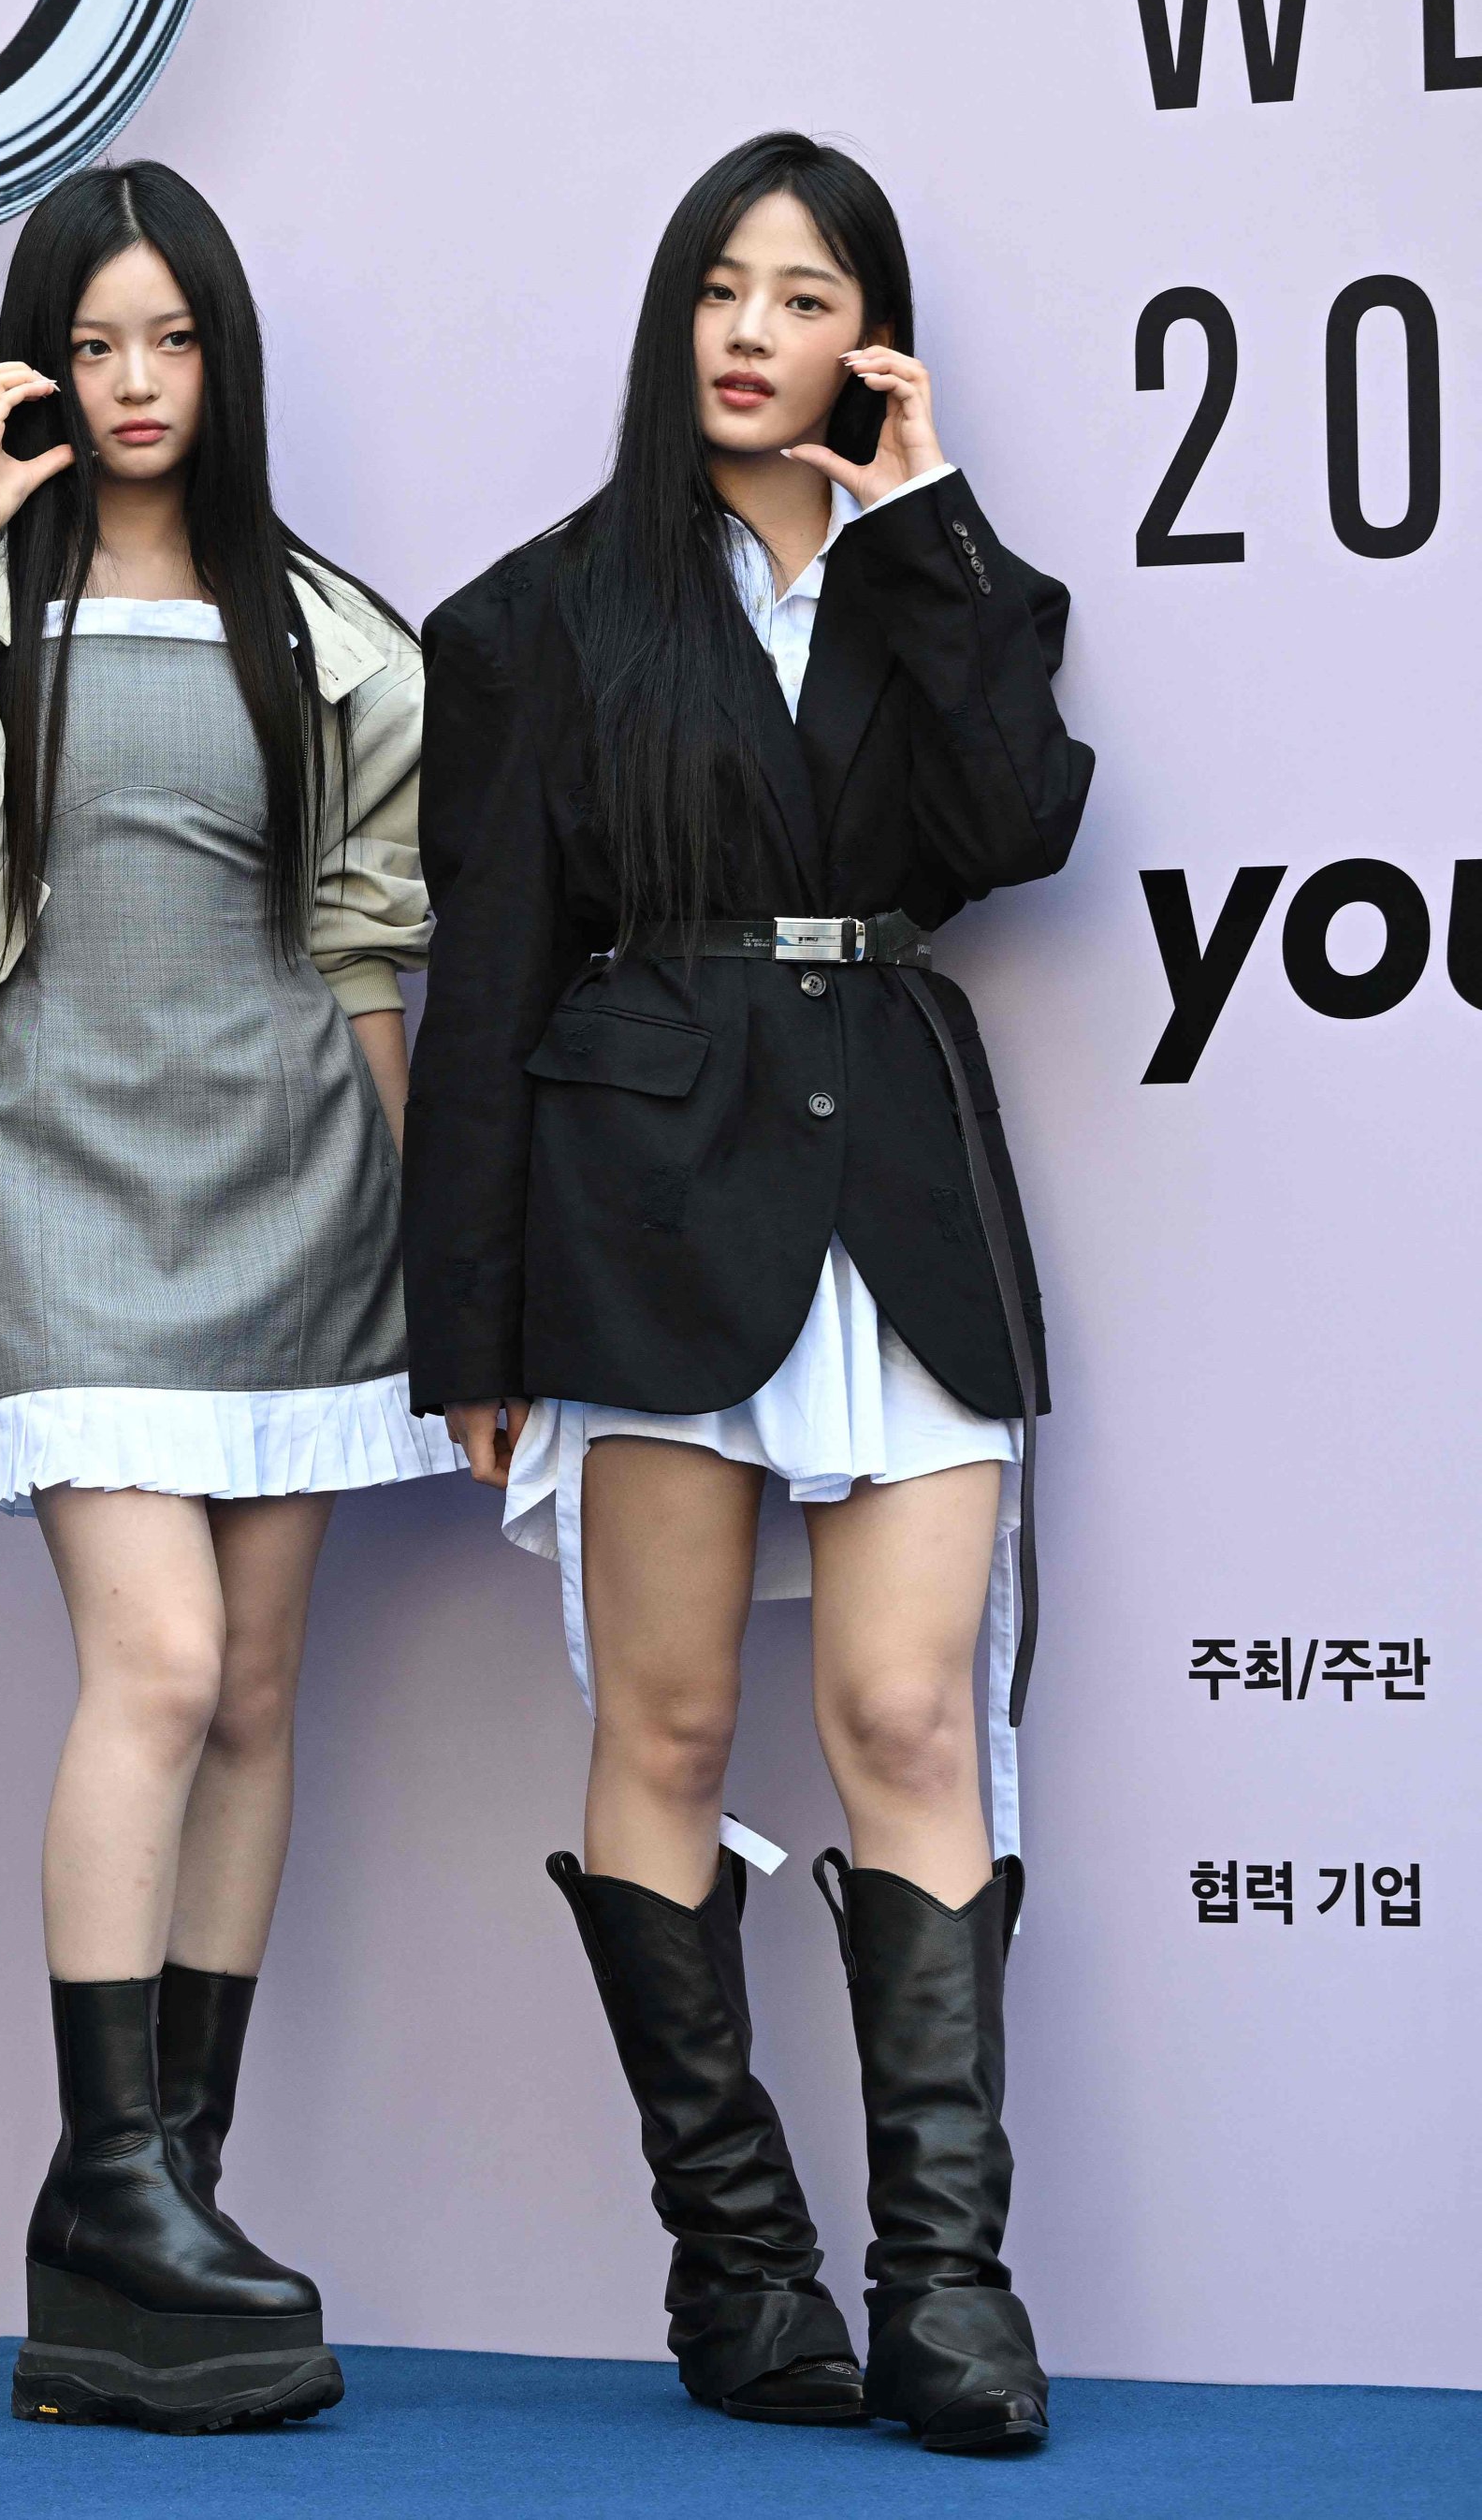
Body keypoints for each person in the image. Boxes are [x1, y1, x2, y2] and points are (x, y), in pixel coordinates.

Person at [403, 131, 1089, 2455]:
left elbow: (1010, 828)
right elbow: (480, 963)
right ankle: (738, 2269)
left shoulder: (940, 590)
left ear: (865, 343)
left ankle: (948, 2294)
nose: (743, 329)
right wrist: (467, 1321)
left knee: (908, 1722)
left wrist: (926, 531)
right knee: (668, 1734)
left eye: (798, 297)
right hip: (636, 1191)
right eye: (716, 285)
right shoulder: (536, 618)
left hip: (886, 1188)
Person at [0, 160, 443, 2436]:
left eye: (171, 343)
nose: (137, 384)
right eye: (95, 345)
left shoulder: (338, 633)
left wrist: (423, 1257)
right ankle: (104, 2181)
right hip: (57, 1179)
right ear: (36, 361)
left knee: (256, 1687)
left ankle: (167, 2216)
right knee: (152, 1660)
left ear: (221, 357)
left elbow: (367, 952)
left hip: (294, 1187)